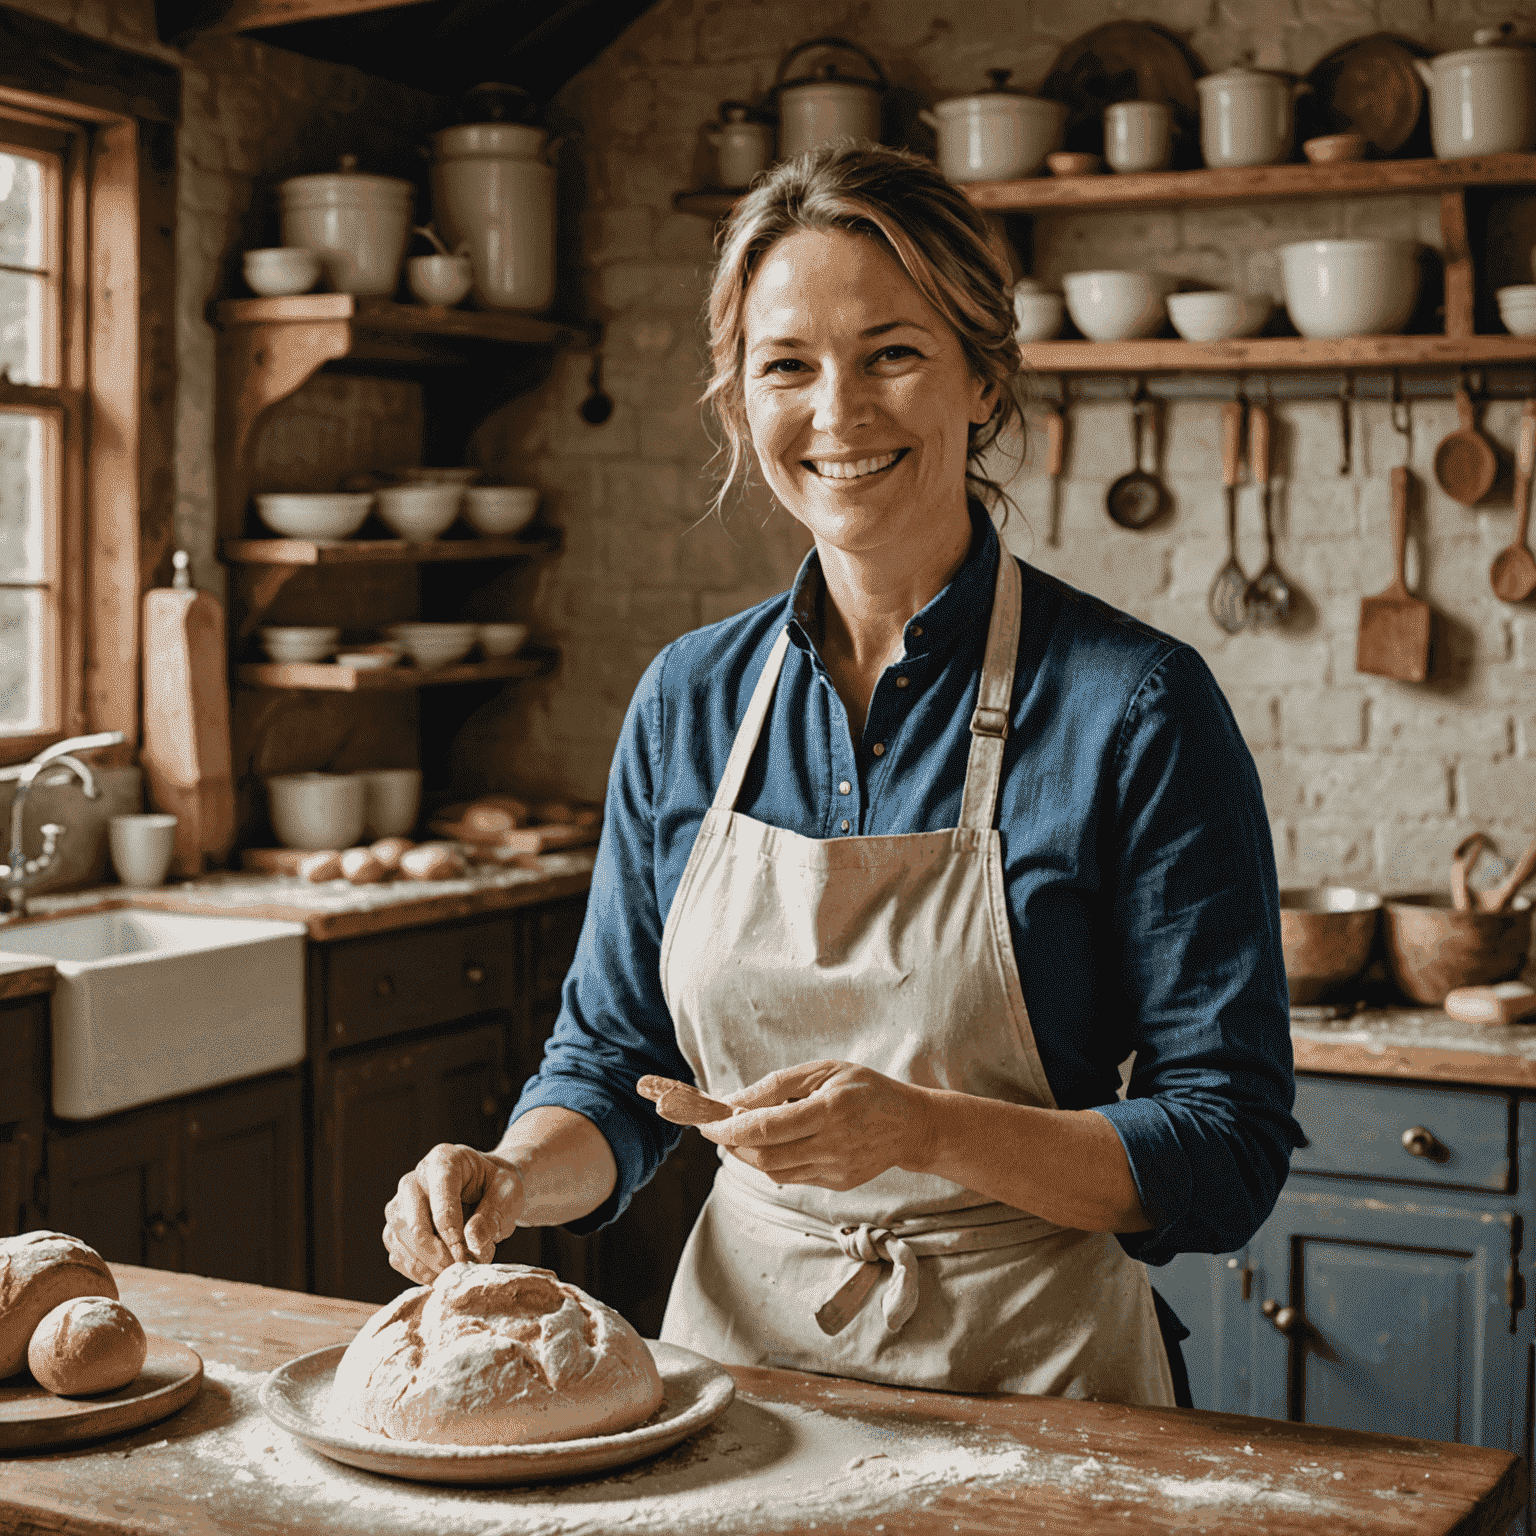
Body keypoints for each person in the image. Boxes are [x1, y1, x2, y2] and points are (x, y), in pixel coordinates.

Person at [383, 142, 1303, 1407]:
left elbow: (1226, 1146)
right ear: (737, 401)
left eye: (892, 353)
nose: (837, 413)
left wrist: (923, 1130)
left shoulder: (1134, 705)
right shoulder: (688, 702)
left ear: (983, 376)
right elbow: (615, 1066)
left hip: (1041, 1393)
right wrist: (514, 1172)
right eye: (787, 367)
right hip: (739, 1384)